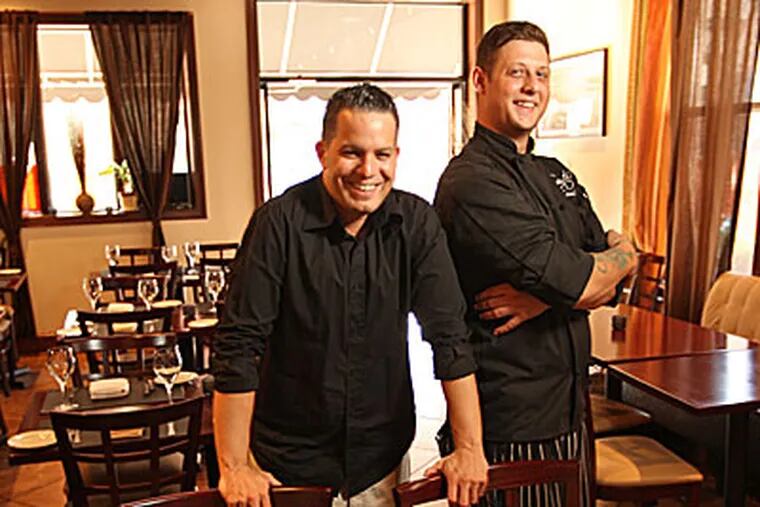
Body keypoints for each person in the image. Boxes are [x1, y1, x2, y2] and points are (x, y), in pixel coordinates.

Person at [212, 83, 488, 507]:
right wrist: (233, 466)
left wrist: (469, 447)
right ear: (323, 152)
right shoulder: (277, 224)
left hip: (380, 457)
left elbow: (450, 336)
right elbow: (239, 346)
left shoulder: (416, 223)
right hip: (286, 462)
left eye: (382, 154)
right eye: (352, 153)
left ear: (396, 156)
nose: (368, 170)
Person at [434, 21, 638, 507]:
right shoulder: (472, 183)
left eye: (542, 74)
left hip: (571, 409)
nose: (532, 87)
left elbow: (607, 282)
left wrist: (547, 298)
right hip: (513, 421)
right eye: (517, 73)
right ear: (481, 81)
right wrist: (621, 257)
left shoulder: (555, 173)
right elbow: (589, 278)